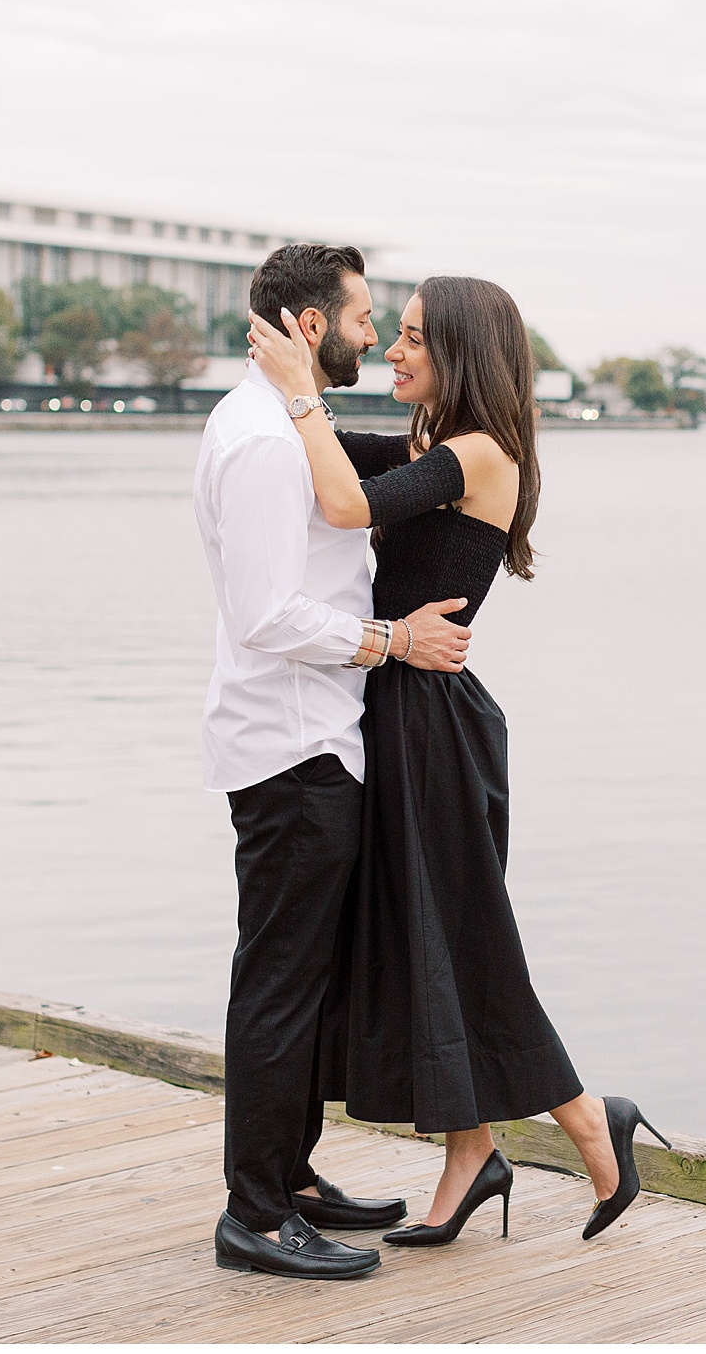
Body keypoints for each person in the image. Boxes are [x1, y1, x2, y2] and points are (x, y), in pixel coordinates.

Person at [246, 276, 668, 1249]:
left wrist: (305, 391)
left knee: (463, 937)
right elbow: (314, 466)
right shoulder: (435, 448)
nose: (391, 353)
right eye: (387, 336)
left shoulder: (478, 453)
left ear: (463, 352)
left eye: (409, 340)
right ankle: (470, 1150)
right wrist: (278, 385)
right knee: (423, 935)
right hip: (399, 706)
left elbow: (346, 503)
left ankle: (587, 1120)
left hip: (431, 723)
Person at [195, 242, 478, 1280]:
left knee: (301, 984)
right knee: (278, 983)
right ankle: (255, 1215)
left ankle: (292, 1176)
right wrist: (390, 640)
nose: (371, 334)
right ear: (312, 325)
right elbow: (267, 612)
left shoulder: (279, 426)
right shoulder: (268, 442)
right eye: (363, 317)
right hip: (291, 745)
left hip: (308, 739)